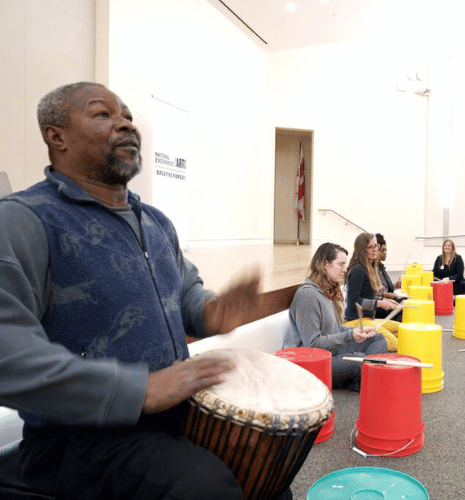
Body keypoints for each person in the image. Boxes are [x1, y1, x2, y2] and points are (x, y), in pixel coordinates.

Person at [0, 82, 288, 499]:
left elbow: (187, 294)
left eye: (129, 117)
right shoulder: (23, 220)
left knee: (267, 473)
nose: (126, 125)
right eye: (103, 114)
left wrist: (214, 312)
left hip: (171, 413)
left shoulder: (155, 222)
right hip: (75, 438)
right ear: (55, 135)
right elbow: (8, 356)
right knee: (205, 487)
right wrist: (142, 390)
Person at [283, 243, 388, 391]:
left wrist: (357, 332)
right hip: (310, 362)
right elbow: (312, 345)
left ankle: (359, 378)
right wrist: (349, 335)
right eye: (341, 265)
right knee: (360, 360)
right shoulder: (307, 295)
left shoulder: (328, 291)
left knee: (378, 338)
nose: (345, 270)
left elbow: (334, 329)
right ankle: (361, 378)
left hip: (330, 351)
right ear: (325, 264)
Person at [344, 232, 399, 321]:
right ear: (362, 250)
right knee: (388, 335)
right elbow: (353, 302)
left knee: (399, 328)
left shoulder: (369, 268)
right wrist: (379, 303)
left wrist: (384, 300)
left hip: (368, 319)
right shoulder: (358, 270)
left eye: (376, 246)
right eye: (370, 247)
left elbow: (367, 297)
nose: (374, 250)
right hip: (357, 321)